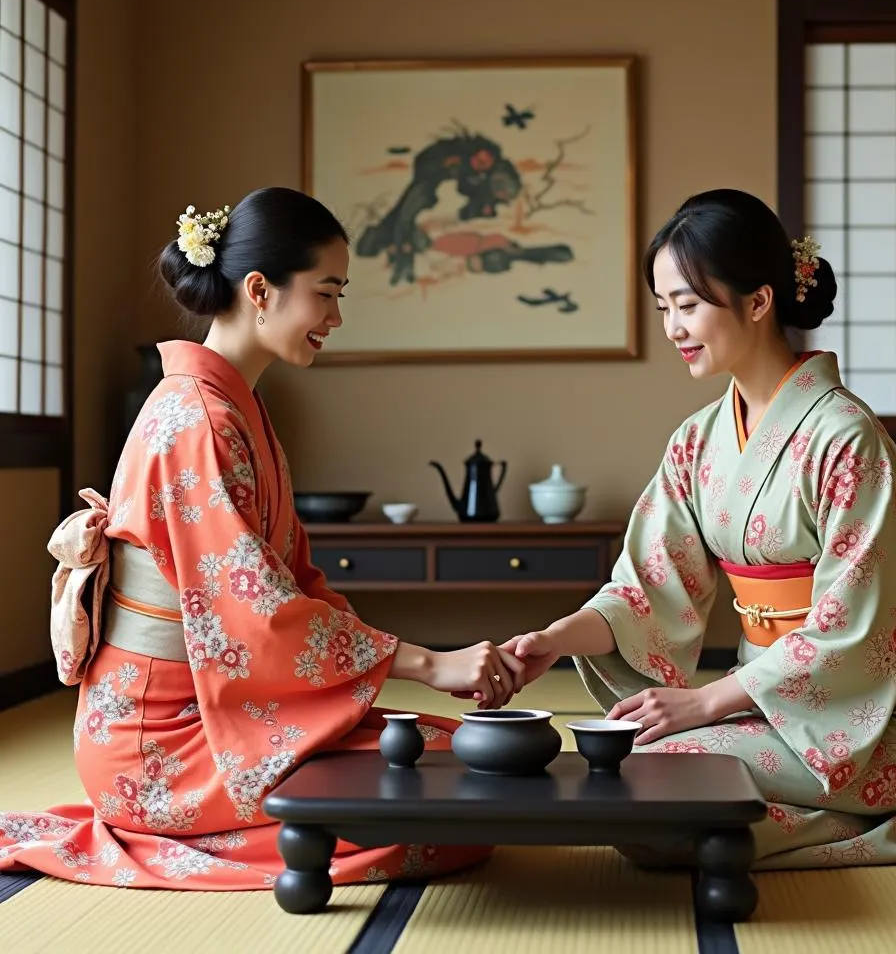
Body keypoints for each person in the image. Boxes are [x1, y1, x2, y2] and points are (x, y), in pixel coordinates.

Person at [0, 186, 525, 890]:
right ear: (260, 290)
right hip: (163, 744)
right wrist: (431, 664)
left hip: (212, 715)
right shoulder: (199, 421)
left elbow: (298, 587)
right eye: (326, 293)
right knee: (439, 814)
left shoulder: (232, 410)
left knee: (453, 758)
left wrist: (394, 671)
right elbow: (258, 618)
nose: (336, 317)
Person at [501, 188, 896, 869]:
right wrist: (552, 638)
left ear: (757, 301)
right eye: (664, 309)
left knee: (646, 774)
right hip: (766, 706)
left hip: (880, 718)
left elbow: (850, 630)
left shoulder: (848, 439)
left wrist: (702, 705)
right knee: (637, 780)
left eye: (687, 305)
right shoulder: (697, 440)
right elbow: (646, 586)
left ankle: (869, 810)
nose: (672, 328)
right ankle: (809, 819)